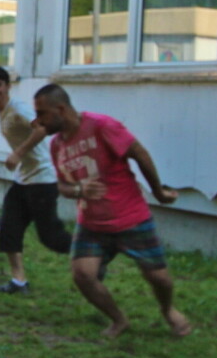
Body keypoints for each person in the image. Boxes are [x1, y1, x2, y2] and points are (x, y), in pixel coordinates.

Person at [33, 83, 193, 340]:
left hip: (131, 218)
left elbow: (139, 153)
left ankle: (168, 310)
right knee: (82, 275)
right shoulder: (56, 146)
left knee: (159, 278)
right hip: (92, 225)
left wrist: (159, 192)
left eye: (41, 113)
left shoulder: (101, 126)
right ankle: (119, 320)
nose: (37, 120)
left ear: (61, 109)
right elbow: (62, 185)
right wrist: (79, 190)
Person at [0, 67, 71, 294]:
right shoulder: (4, 111)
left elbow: (43, 128)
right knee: (9, 230)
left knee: (50, 237)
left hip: (43, 178)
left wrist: (19, 153)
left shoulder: (18, 108)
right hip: (23, 179)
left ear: (7, 86)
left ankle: (92, 251)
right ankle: (19, 281)